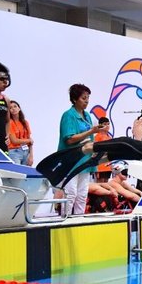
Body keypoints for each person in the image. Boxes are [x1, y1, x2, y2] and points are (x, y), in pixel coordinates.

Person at [57, 84, 100, 215]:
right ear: (75, 99)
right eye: (83, 98)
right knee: (71, 194)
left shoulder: (87, 115)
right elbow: (69, 139)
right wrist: (91, 131)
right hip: (71, 161)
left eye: (88, 98)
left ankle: (78, 220)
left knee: (82, 195)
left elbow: (90, 138)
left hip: (85, 160)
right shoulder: (68, 115)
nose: (87, 101)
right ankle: (65, 220)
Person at [6, 100, 33, 165]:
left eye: (15, 106)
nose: (13, 109)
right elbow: (14, 141)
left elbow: (30, 143)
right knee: (17, 174)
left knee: (26, 174)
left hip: (26, 151)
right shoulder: (9, 122)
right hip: (14, 152)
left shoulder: (25, 123)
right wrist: (28, 140)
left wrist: (31, 156)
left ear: (19, 108)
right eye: (10, 108)